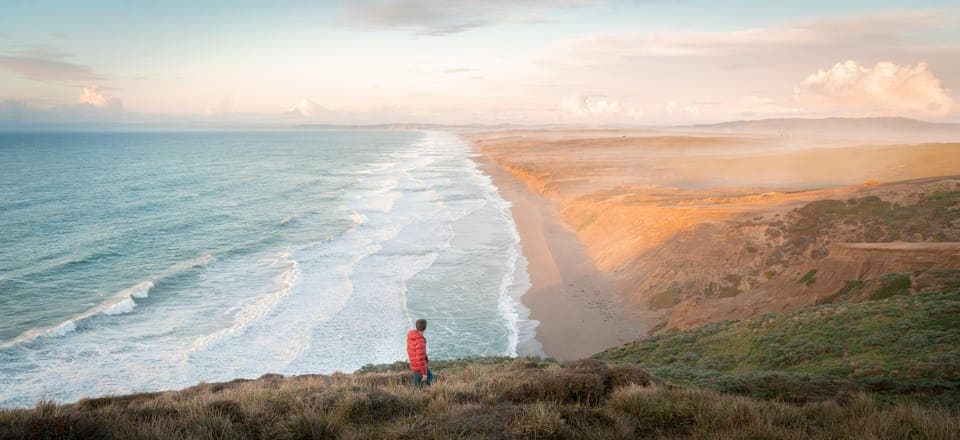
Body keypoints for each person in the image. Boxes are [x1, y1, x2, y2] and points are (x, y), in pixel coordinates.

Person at [406, 318, 433, 387]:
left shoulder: (412, 336)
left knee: (418, 385)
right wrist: (424, 373)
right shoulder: (420, 341)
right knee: (431, 382)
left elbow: (410, 350)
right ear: (425, 328)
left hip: (414, 365)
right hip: (419, 367)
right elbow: (420, 359)